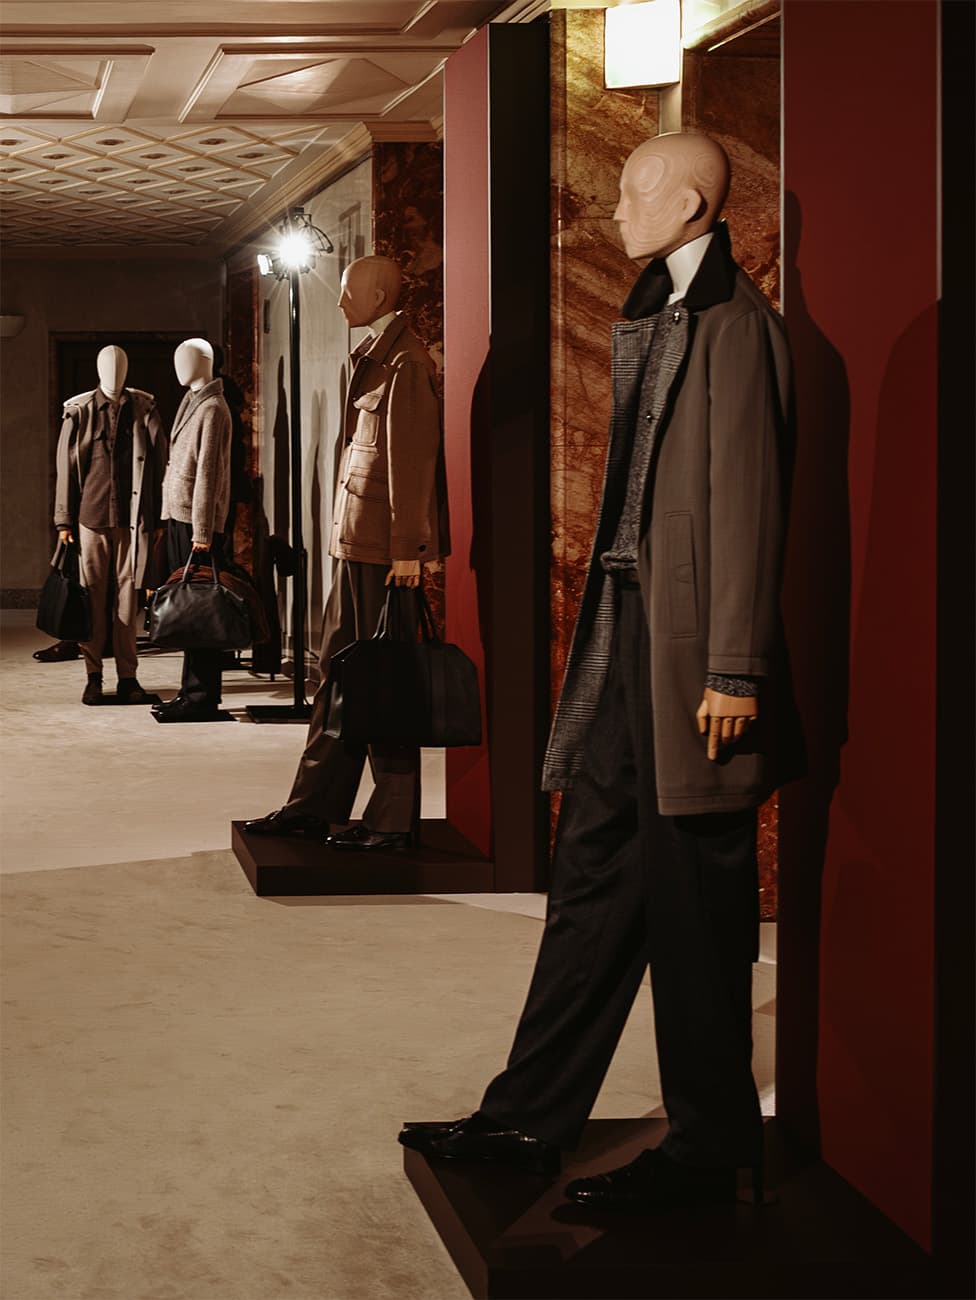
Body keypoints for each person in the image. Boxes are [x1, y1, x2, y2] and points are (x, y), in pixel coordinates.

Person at [399, 132, 804, 1210]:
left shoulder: (735, 326)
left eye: (632, 192)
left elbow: (750, 509)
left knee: (696, 911)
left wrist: (734, 666)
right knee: (590, 880)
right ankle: (530, 1111)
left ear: (690, 204)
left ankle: (712, 1146)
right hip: (630, 634)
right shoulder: (657, 311)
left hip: (695, 667)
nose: (610, 210)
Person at [244, 255, 450, 851]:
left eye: (347, 293)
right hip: (355, 543)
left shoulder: (407, 362)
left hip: (386, 556)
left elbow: (411, 464)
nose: (339, 304)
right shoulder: (376, 356)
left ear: (381, 293)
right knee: (338, 676)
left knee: (386, 685)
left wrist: (408, 549)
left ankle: (391, 820)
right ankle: (313, 804)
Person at [53, 344, 166, 705]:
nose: (114, 373)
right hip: (90, 519)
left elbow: (160, 467)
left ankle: (128, 677)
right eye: (107, 367)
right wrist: (63, 520)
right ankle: (93, 675)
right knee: (90, 601)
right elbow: (65, 471)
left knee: (127, 605)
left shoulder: (145, 408)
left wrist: (159, 515)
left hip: (133, 522)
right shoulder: (80, 412)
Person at [151, 338, 233, 723]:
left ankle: (200, 696)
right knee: (188, 606)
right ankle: (190, 692)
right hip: (180, 516)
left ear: (205, 362)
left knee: (199, 607)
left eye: (186, 359)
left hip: (195, 522)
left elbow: (209, 474)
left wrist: (202, 530)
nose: (179, 366)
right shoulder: (193, 401)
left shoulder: (214, 408)